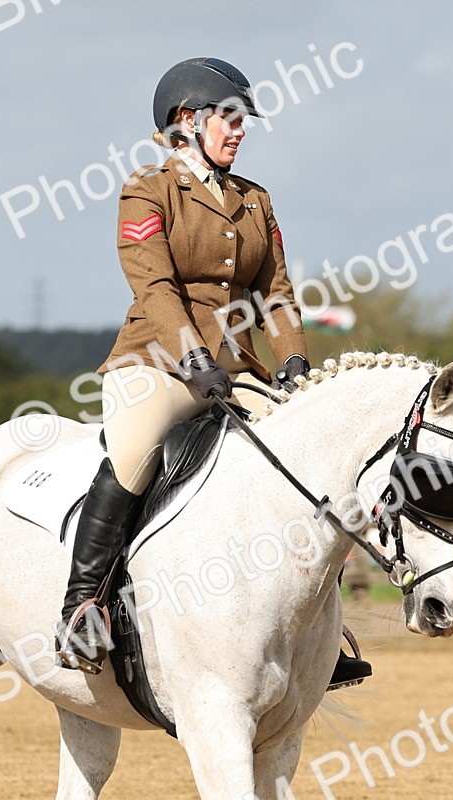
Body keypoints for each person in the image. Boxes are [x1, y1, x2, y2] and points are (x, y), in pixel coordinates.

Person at [54, 57, 371, 690]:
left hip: (235, 370)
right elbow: (153, 283)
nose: (240, 130)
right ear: (185, 122)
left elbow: (275, 294)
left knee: (312, 462)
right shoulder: (148, 190)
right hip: (158, 361)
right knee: (135, 451)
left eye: (242, 120)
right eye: (229, 118)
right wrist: (193, 359)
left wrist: (295, 364)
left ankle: (317, 631)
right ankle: (81, 606)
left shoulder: (256, 200)